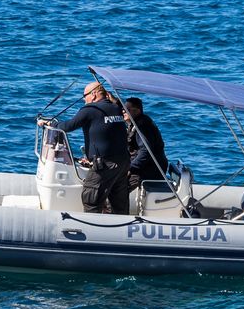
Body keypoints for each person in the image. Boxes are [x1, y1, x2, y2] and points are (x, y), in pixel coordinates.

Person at [37, 81, 130, 214]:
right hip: (122, 162)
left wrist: (49, 123)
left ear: (93, 94)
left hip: (105, 165)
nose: (84, 99)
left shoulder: (91, 110)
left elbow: (68, 126)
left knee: (90, 198)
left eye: (84, 95)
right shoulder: (116, 108)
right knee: (118, 201)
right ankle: (121, 228)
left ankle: (92, 229)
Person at [123, 96, 168, 191]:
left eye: (127, 109)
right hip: (142, 165)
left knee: (118, 188)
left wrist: (130, 167)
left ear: (137, 111)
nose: (123, 111)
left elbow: (146, 151)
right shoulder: (135, 122)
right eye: (123, 108)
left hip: (148, 169)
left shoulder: (142, 127)